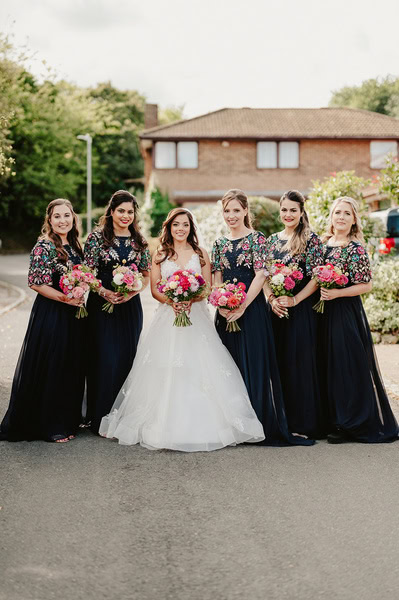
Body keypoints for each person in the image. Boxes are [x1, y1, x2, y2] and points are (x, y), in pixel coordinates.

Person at [99, 208, 264, 451]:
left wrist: (191, 300)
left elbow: (207, 287)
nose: (180, 229)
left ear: (191, 228)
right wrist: (172, 301)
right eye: (176, 224)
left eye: (185, 225)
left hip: (196, 317)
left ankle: (207, 424)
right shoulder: (160, 254)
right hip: (168, 317)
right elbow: (155, 289)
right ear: (169, 227)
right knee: (164, 367)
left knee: (200, 366)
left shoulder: (201, 254)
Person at [211, 189, 314, 446]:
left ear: (246, 211)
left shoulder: (258, 240)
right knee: (228, 366)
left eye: (236, 210)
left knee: (254, 365)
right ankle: (233, 424)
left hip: (252, 310)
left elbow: (261, 275)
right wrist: (220, 302)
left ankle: (257, 422)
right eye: (227, 211)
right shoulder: (219, 243)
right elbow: (216, 278)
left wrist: (243, 305)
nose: (231, 215)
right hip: (225, 312)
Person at [0, 199, 86, 442]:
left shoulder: (75, 245)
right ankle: (50, 425)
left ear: (73, 218)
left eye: (66, 215)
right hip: (52, 313)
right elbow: (36, 282)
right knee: (54, 365)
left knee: (70, 365)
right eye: (57, 216)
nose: (62, 220)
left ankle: (66, 419)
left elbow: (82, 277)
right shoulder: (44, 246)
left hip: (74, 315)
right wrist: (65, 299)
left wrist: (80, 292)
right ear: (49, 220)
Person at [318, 196, 399, 443]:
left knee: (347, 365)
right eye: (337, 213)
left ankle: (350, 422)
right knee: (327, 364)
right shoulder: (323, 244)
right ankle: (330, 418)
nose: (341, 217)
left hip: (345, 311)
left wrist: (338, 292)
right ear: (331, 217)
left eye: (346, 213)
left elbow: (366, 285)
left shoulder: (355, 248)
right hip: (321, 312)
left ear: (354, 220)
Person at [84, 190, 151, 434]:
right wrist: (104, 292)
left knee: (126, 357)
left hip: (129, 308)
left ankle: (122, 417)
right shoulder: (96, 239)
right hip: (101, 307)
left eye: (130, 212)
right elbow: (87, 273)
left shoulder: (140, 241)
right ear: (111, 211)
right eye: (121, 211)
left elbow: (145, 275)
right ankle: (98, 416)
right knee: (103, 357)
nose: (125, 216)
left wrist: (132, 292)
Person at [264, 190, 327, 438]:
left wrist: (295, 299)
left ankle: (305, 422)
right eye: (284, 209)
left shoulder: (311, 240)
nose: (288, 214)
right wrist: (271, 299)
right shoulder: (271, 240)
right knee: (280, 363)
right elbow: (265, 276)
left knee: (300, 363)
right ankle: (284, 420)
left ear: (301, 212)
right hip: (276, 311)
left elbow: (316, 277)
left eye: (293, 210)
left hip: (301, 311)